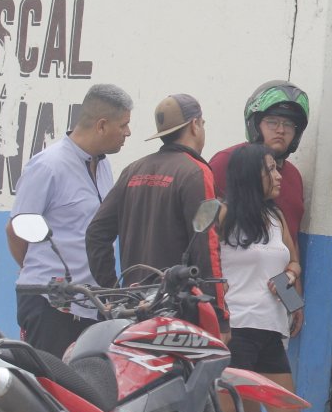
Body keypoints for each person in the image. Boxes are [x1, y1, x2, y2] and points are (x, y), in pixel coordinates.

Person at [85, 93, 229, 334]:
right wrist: (218, 315)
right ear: (195, 125)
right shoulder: (196, 172)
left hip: (134, 310)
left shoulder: (134, 169)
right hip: (177, 312)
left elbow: (96, 234)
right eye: (202, 123)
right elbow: (207, 246)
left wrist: (114, 292)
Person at [7, 84, 133, 356]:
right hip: (51, 305)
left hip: (91, 306)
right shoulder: (48, 166)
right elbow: (17, 230)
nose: (128, 133)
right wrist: (42, 275)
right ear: (101, 125)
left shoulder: (102, 166)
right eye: (123, 125)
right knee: (49, 391)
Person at [209, 81, 309, 337]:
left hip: (274, 314)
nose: (281, 130)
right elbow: (207, 245)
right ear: (255, 124)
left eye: (289, 125)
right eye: (273, 122)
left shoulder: (294, 177)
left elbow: (287, 250)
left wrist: (294, 300)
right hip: (235, 315)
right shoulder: (225, 163)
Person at [216, 143, 301, 412]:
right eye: (271, 169)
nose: (279, 176)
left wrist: (290, 283)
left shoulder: (276, 217)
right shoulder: (223, 214)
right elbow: (203, 262)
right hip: (237, 330)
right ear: (251, 175)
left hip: (271, 330)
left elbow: (292, 261)